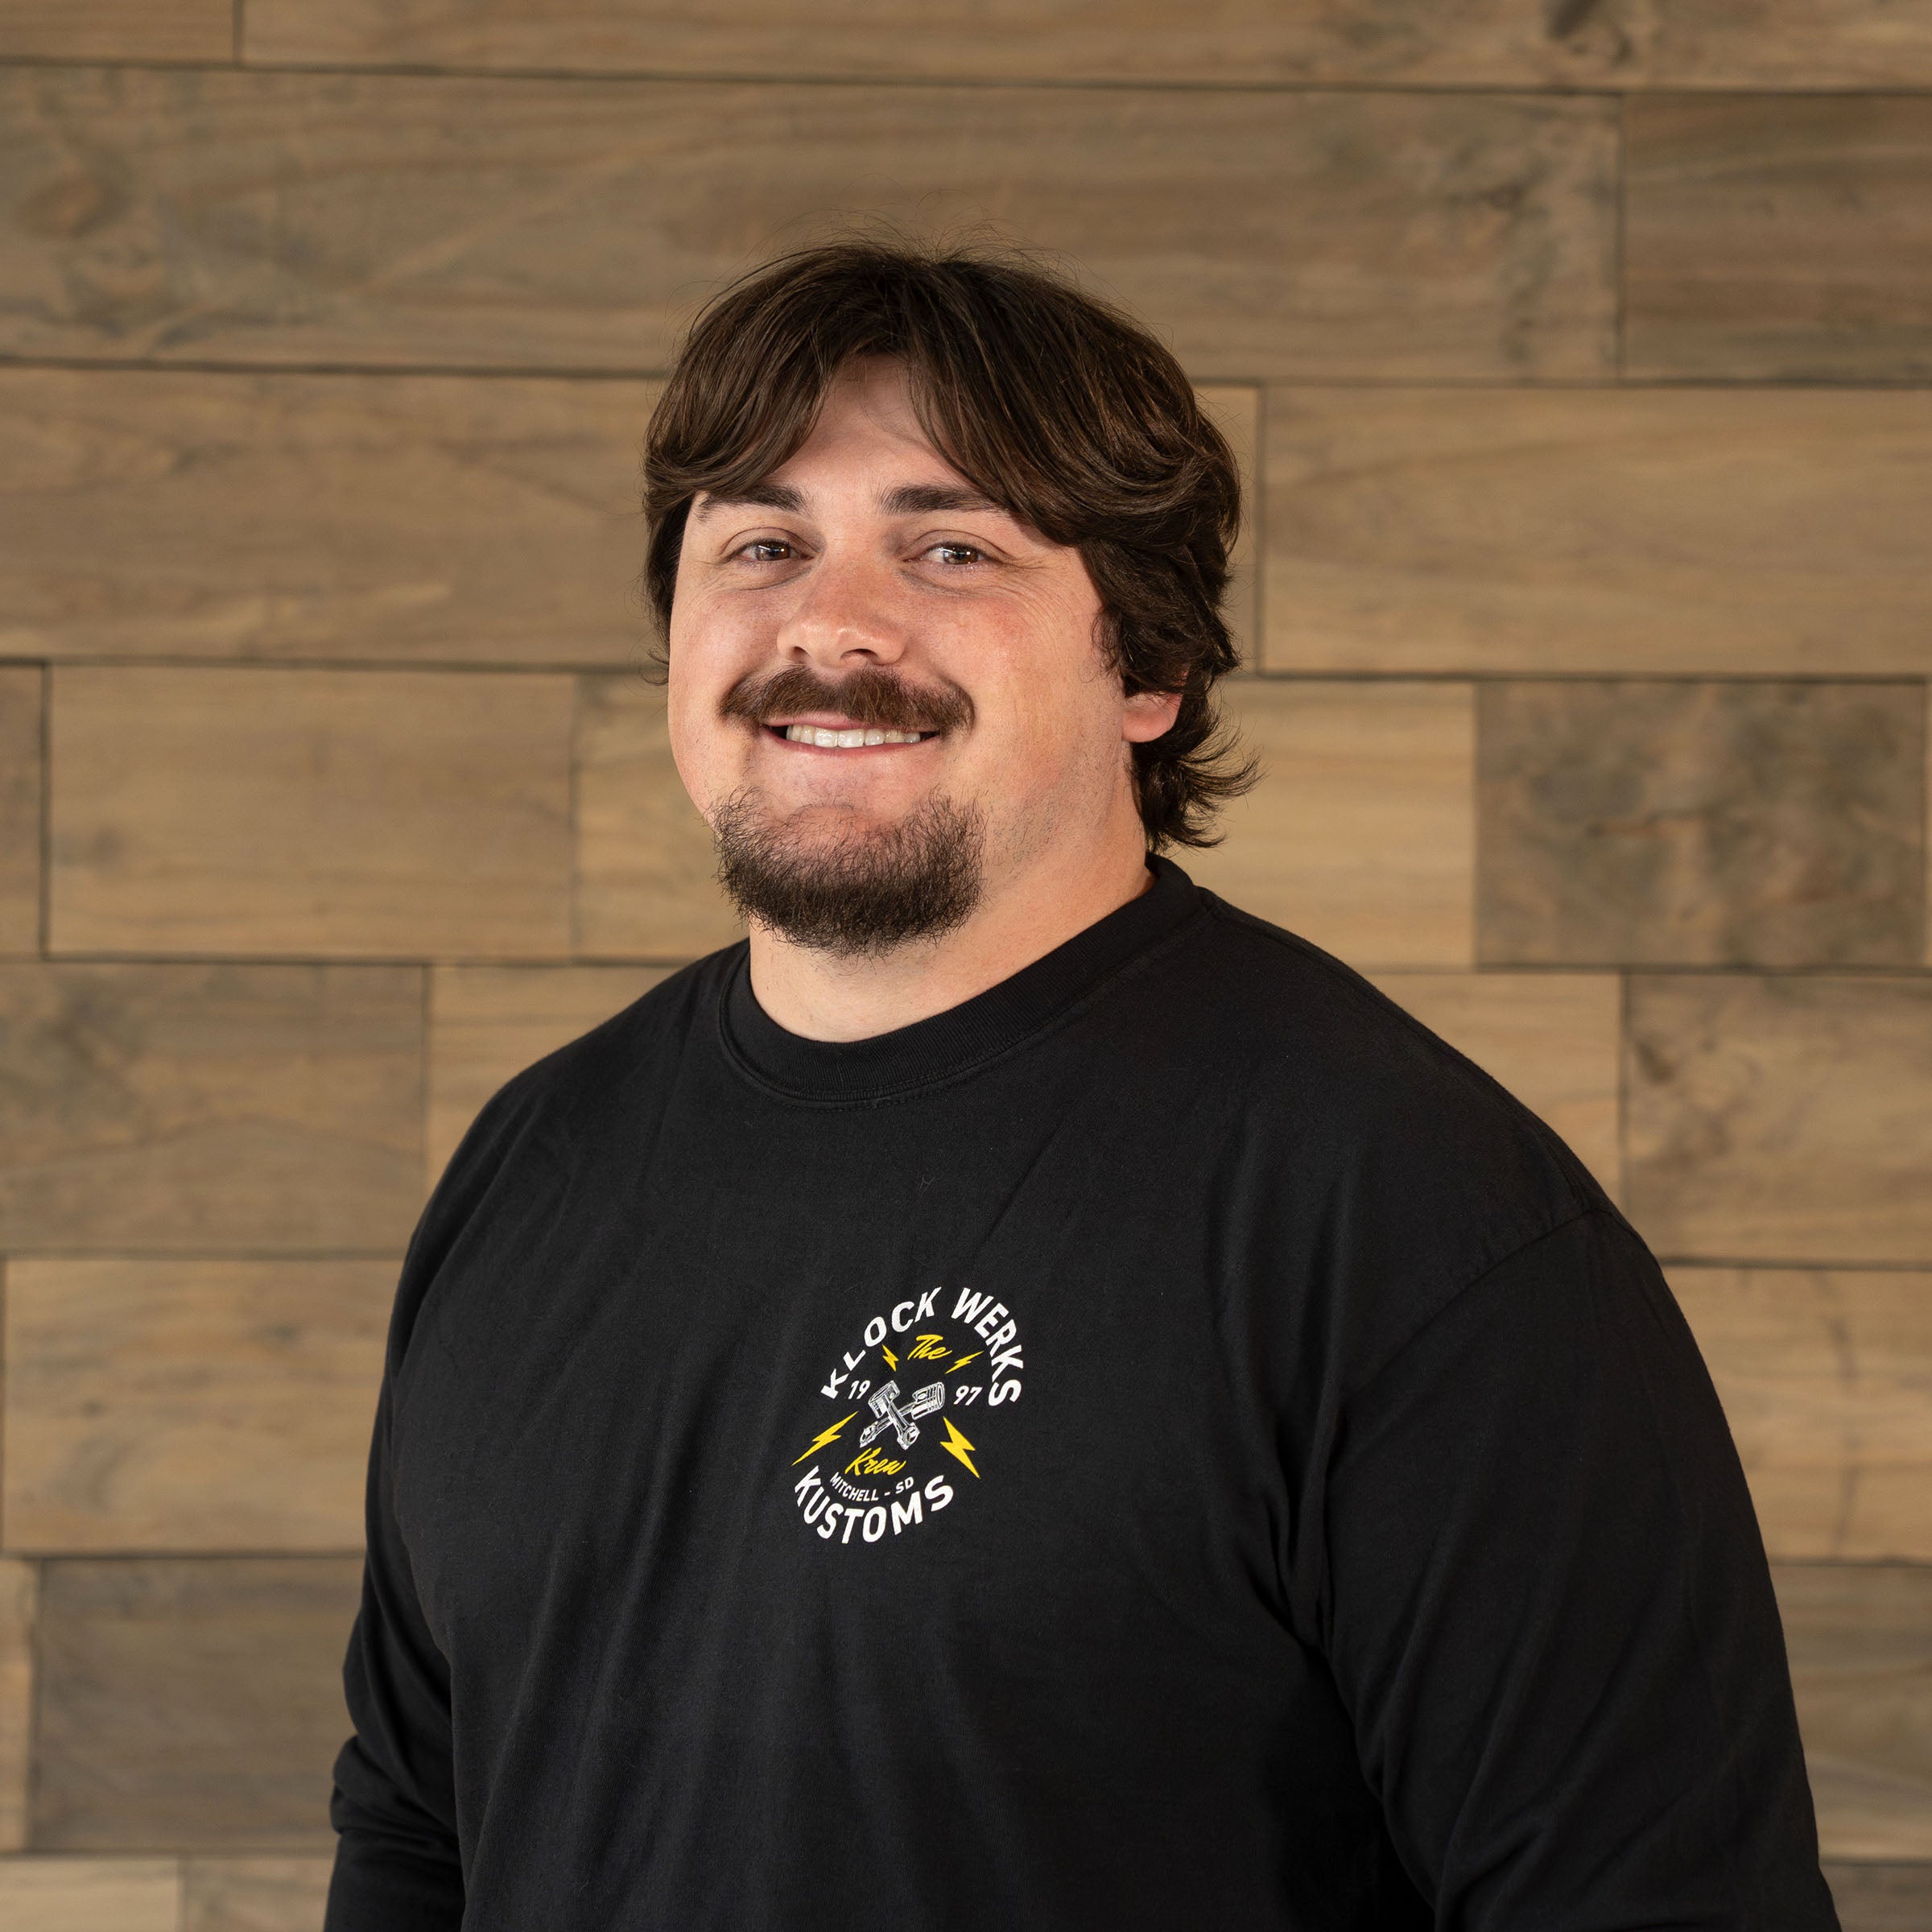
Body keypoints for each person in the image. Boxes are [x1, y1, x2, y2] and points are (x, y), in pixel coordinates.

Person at [324, 241, 1838, 1930]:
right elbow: (415, 1828)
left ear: (1148, 670)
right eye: (760, 543)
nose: (830, 624)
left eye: (951, 545)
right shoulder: (538, 1161)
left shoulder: (1404, 1216)